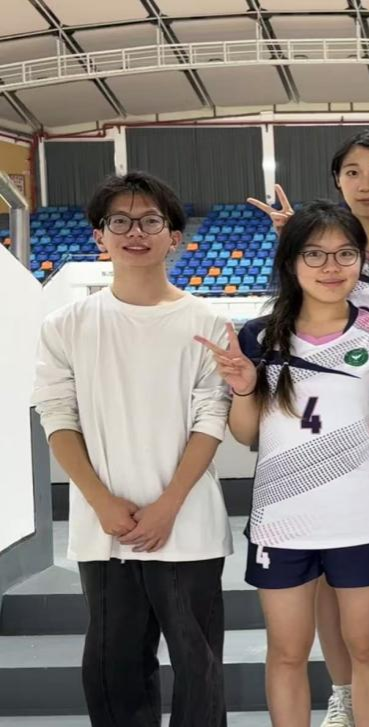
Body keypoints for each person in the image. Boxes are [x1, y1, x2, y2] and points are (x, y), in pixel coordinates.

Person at [196, 201, 369, 727]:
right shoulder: (258, 336)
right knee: (286, 651)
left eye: (345, 254)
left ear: (361, 261)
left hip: (363, 520)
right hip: (282, 522)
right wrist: (244, 389)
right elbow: (246, 434)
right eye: (315, 254)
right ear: (290, 261)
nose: (332, 267)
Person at [249, 131, 369, 727]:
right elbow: (248, 427)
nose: (367, 182)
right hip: (306, 483)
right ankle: (344, 695)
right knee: (315, 617)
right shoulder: (269, 329)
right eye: (353, 171)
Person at [31, 171, 232, 727]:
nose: (134, 232)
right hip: (106, 530)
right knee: (113, 670)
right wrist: (100, 501)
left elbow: (211, 418)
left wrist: (169, 503)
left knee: (199, 670)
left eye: (149, 221)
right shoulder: (66, 325)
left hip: (187, 524)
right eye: (119, 221)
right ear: (100, 235)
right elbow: (57, 417)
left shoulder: (208, 322)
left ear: (175, 237)